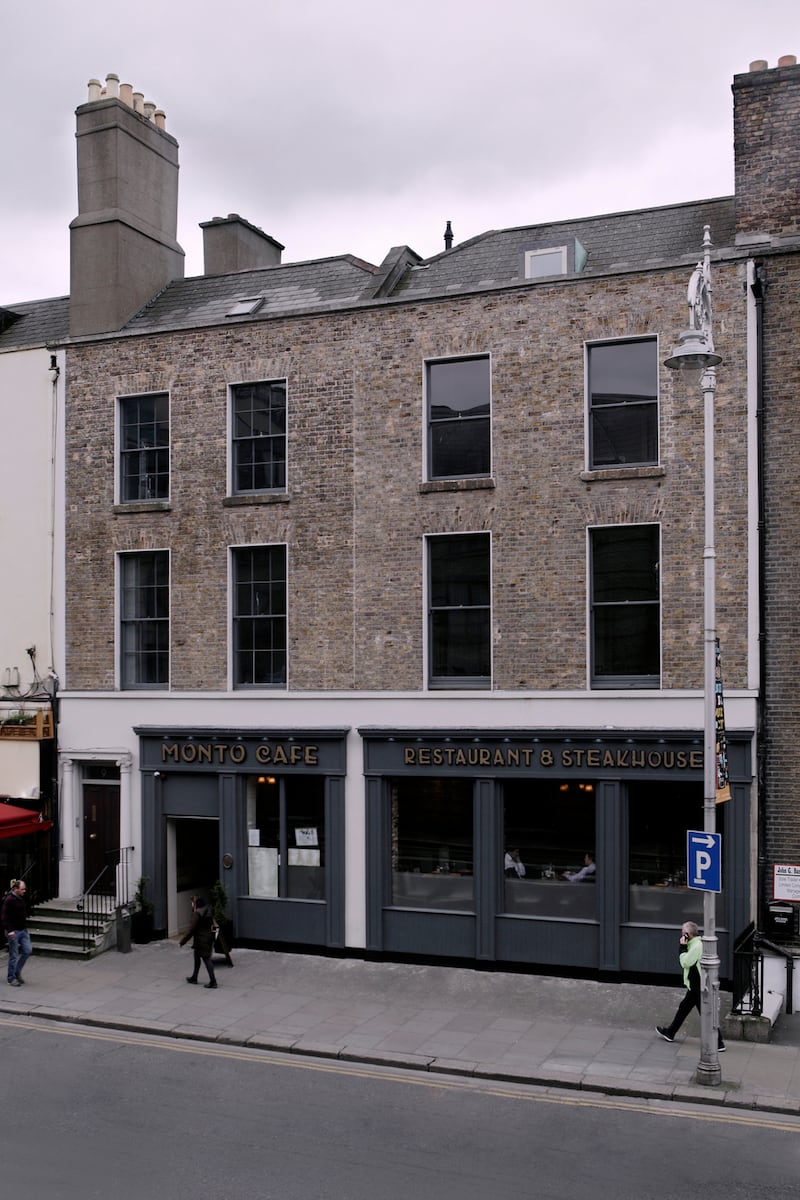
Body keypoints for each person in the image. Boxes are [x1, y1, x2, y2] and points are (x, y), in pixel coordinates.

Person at [655, 920, 725, 1050]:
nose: (681, 935)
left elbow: (686, 962)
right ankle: (670, 1033)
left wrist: (682, 947)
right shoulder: (696, 943)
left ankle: (719, 1043)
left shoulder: (696, 946)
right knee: (685, 1008)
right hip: (696, 984)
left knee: (705, 1013)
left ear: (687, 934)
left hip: (698, 985)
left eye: (683, 933)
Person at [180, 894, 218, 989]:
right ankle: (194, 977)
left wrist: (183, 941)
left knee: (206, 959)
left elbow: (191, 929)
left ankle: (213, 981)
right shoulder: (208, 911)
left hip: (201, 940)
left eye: (194, 904)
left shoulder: (197, 914)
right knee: (197, 957)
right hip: (206, 938)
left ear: (197, 905)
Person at [2, 879, 32, 986]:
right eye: (22, 889)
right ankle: (11, 978)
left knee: (28, 950)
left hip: (23, 930)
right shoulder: (9, 900)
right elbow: (4, 917)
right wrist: (9, 931)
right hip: (13, 931)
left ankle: (17, 971)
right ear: (15, 889)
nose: (24, 891)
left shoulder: (21, 898)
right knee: (13, 955)